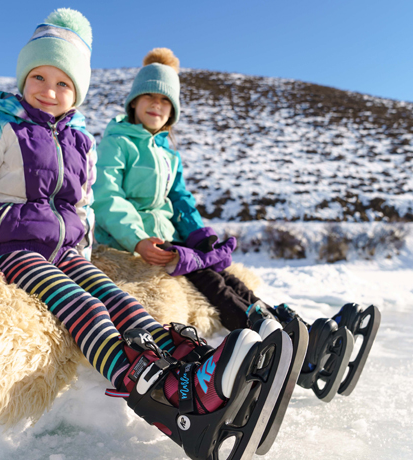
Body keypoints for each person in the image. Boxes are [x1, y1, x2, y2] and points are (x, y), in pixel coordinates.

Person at [0, 11, 289, 460]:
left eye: (63, 83)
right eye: (39, 76)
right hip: (15, 247)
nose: (49, 89)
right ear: (23, 77)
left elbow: (83, 204)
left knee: (119, 300)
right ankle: (149, 386)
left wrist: (81, 256)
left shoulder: (80, 139)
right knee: (85, 307)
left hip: (66, 251)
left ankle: (196, 370)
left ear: (77, 91)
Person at [92, 48, 381, 405]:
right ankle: (264, 332)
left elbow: (181, 199)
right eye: (149, 97)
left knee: (226, 275)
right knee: (209, 281)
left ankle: (290, 332)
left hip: (170, 236)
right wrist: (137, 240)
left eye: (165, 100)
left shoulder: (168, 152)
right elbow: (106, 197)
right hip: (128, 240)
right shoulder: (118, 141)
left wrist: (200, 235)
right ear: (134, 102)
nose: (156, 105)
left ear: (173, 111)